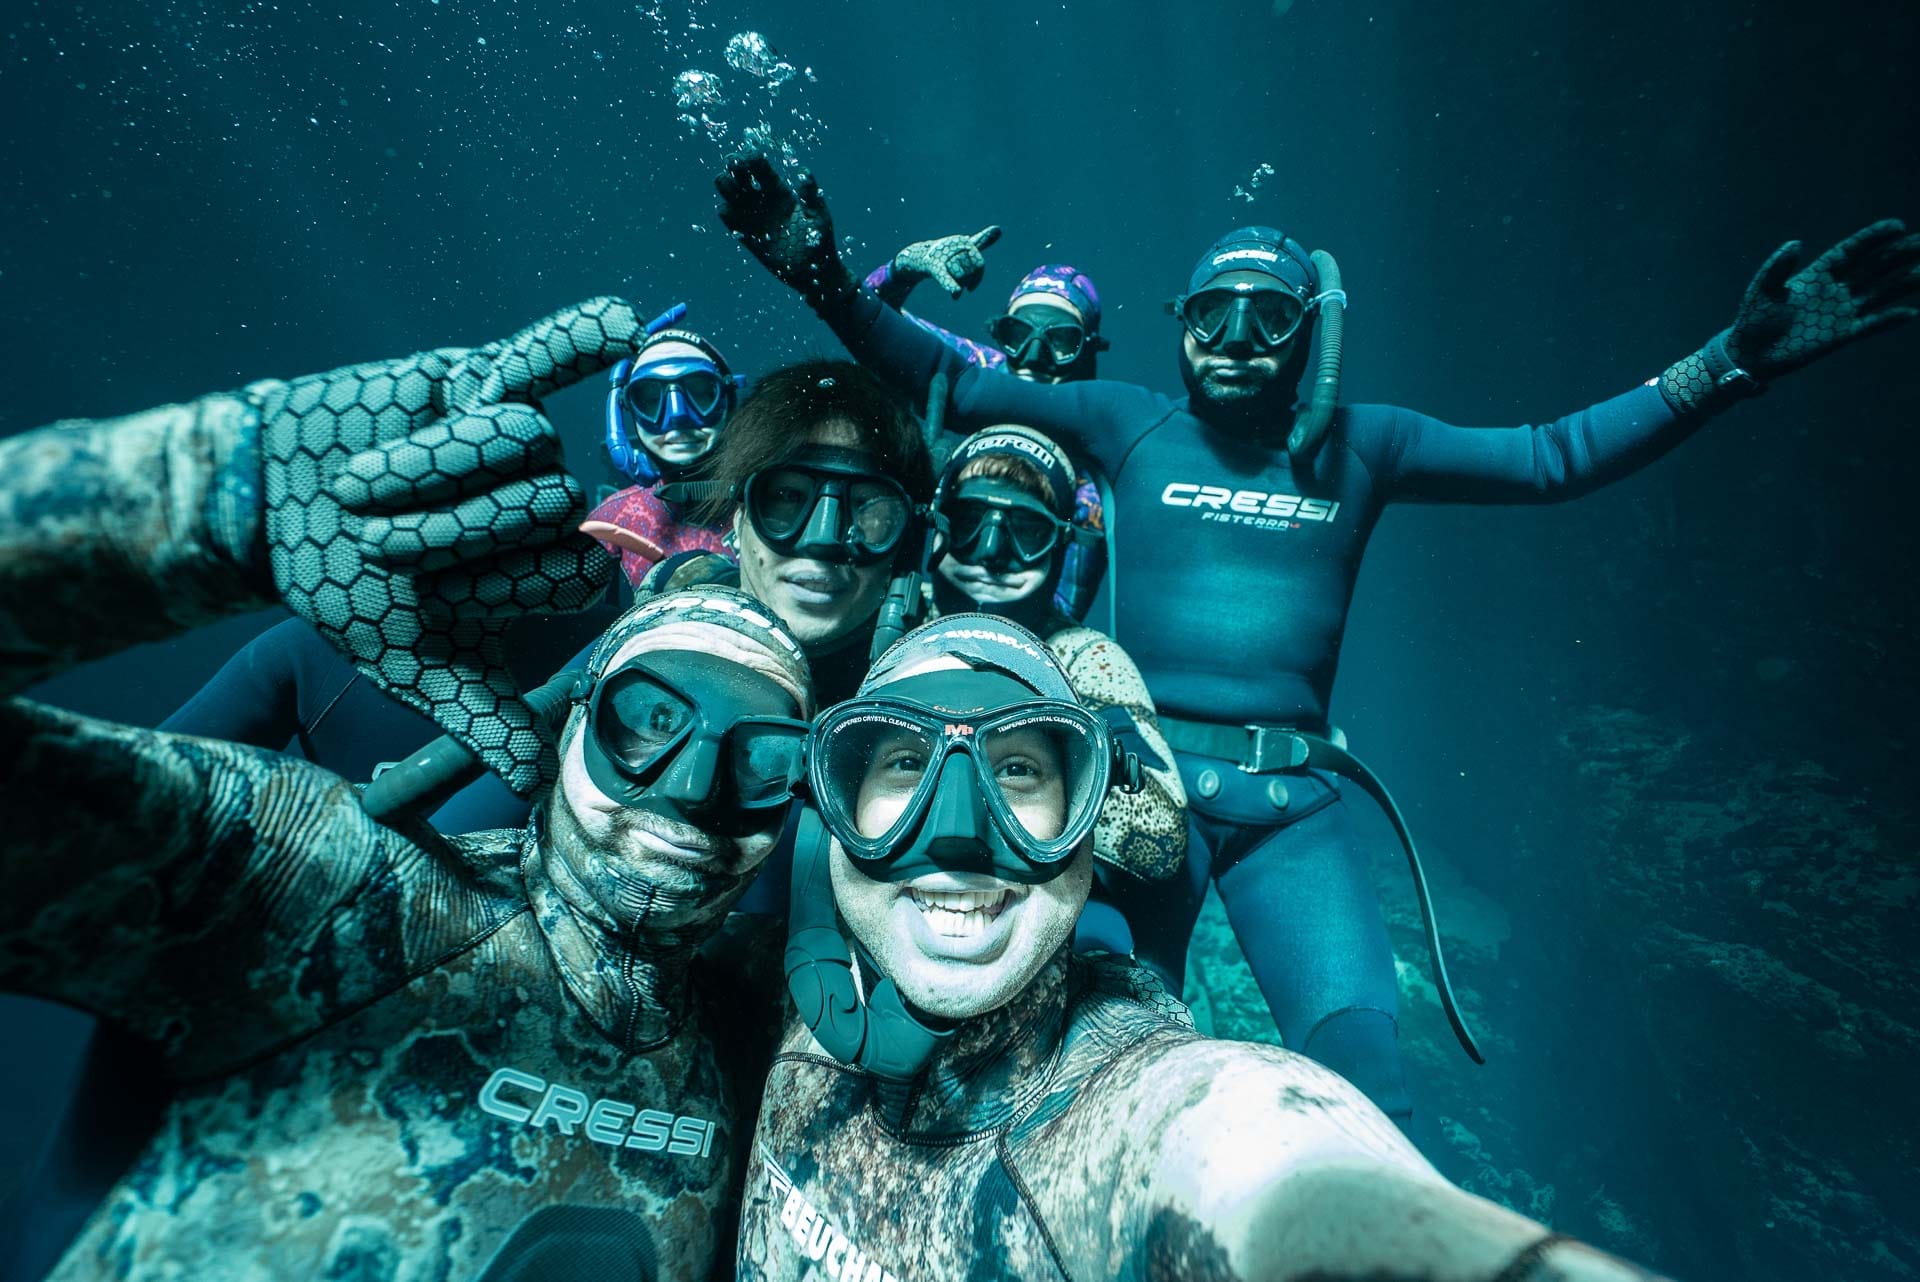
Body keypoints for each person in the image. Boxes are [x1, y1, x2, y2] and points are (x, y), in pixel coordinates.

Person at [713, 151, 1920, 1123]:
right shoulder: (1127, 422)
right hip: (1143, 799)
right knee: (1074, 1062)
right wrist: (821, 276)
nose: (1237, 336)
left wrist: (1731, 363)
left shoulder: (1369, 444)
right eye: (1215, 311)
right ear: (1180, 323)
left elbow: (1551, 458)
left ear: (1309, 331)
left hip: (1299, 811)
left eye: (1270, 314)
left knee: (1365, 1086)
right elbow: (951, 378)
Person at [0, 301, 808, 1279]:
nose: (690, 791)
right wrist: (193, 493)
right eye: (648, 720)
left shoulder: (759, 1026)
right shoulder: (328, 893)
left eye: (762, 760)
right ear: (569, 721)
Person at [743, 613, 1671, 1282]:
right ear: (830, 812)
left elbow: (1245, 1155)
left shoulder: (1139, 1102)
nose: (952, 833)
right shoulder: (765, 975)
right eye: (902, 761)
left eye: (1020, 769)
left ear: (1085, 825)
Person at [928, 423, 1187, 886]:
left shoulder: (1087, 658)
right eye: (969, 522)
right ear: (936, 522)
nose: (990, 553)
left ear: (1062, 546)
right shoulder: (882, 621)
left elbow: (1162, 840)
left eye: (1027, 532)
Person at [867, 232, 1112, 620]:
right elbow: (869, 322)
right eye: (1018, 336)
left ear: (1087, 350)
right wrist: (904, 269)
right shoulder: (981, 370)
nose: (1034, 357)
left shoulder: (1100, 436)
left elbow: (1062, 610)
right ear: (1001, 334)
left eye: (1061, 342)